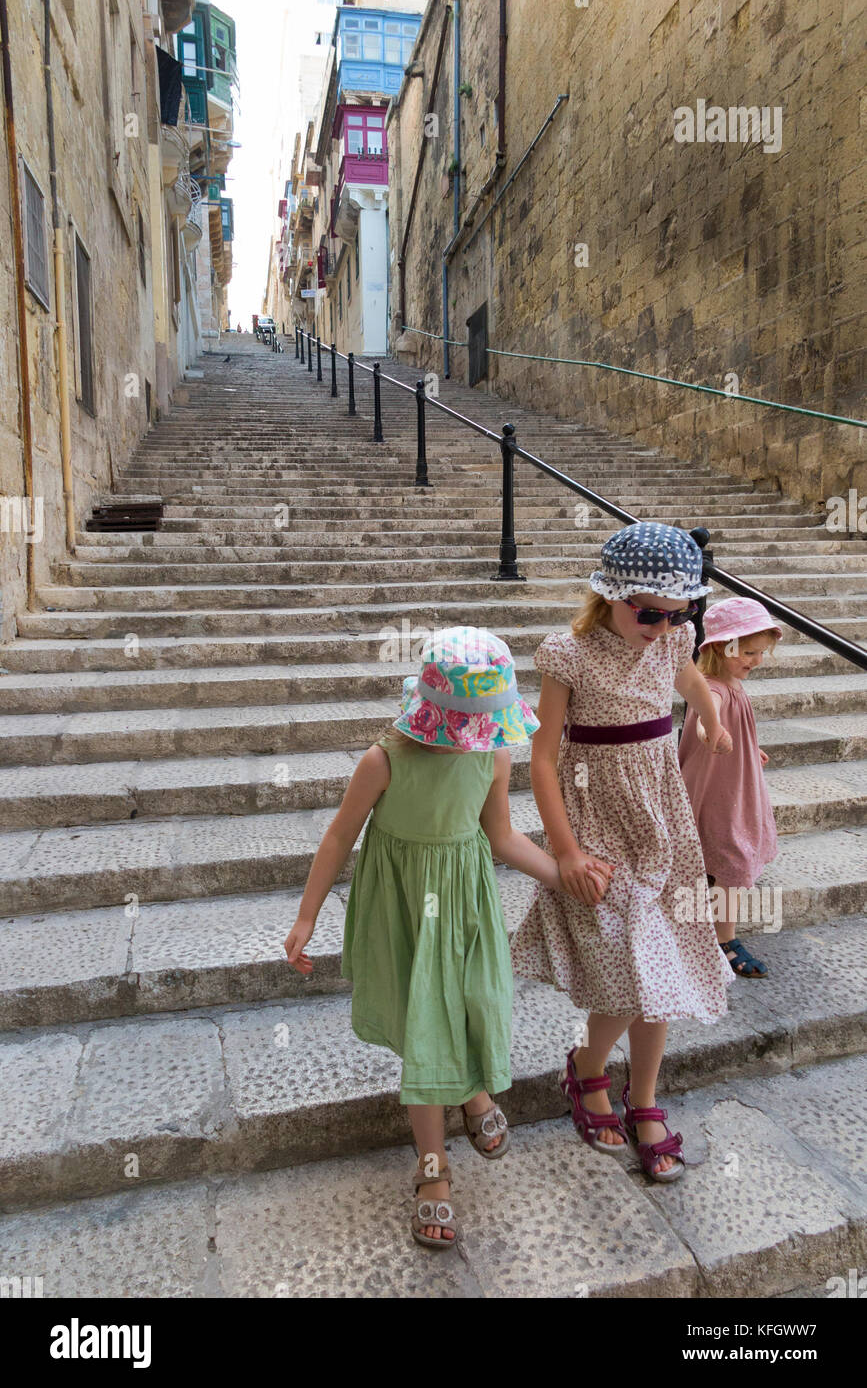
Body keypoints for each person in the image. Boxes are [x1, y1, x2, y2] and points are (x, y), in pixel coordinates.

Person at [284, 627, 565, 1248]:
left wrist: (562, 874)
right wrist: (307, 917)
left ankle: (472, 1091)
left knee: (474, 1002)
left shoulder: (492, 753)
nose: (468, 740)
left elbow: (502, 836)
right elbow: (338, 836)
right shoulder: (383, 759)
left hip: (465, 902)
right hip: (407, 907)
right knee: (427, 1028)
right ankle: (432, 1172)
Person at [510, 522, 734, 1182]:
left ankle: (640, 1098)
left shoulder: (673, 641)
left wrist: (712, 720)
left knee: (661, 960)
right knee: (632, 959)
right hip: (597, 822)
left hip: (660, 823)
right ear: (611, 595)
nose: (662, 626)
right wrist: (566, 850)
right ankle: (585, 1069)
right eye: (649, 613)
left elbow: (691, 681)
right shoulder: (568, 654)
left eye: (677, 614)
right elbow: (543, 760)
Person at [678, 597, 782, 979]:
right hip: (715, 790)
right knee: (734, 860)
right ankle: (724, 940)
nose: (755, 660)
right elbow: (710, 719)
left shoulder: (732, 681)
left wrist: (751, 748)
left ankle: (706, 925)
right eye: (748, 652)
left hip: (735, 784)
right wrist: (710, 732)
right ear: (721, 648)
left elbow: (734, 722)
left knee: (723, 858)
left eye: (760, 653)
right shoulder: (711, 688)